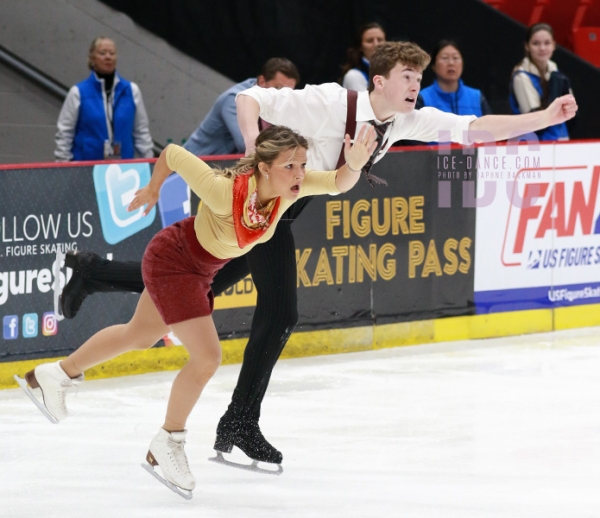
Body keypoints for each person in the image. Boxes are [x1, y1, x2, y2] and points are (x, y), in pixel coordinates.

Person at [56, 41, 578, 471]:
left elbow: (476, 129)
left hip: (286, 210)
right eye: (407, 76)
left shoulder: (403, 122)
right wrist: (254, 150)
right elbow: (249, 99)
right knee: (280, 312)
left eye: (419, 78)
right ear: (378, 81)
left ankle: (92, 274)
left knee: (202, 285)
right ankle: (238, 422)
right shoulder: (328, 102)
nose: (416, 85)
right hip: (264, 206)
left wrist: (545, 116)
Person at [20, 124, 378, 495]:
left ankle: (56, 375)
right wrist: (153, 188)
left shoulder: (289, 191)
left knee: (138, 335)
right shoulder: (225, 192)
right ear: (264, 167)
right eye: (290, 166)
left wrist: (352, 165)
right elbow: (172, 154)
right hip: (173, 261)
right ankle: (168, 442)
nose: (300, 174)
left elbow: (337, 181)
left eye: (303, 165)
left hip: (199, 270)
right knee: (207, 358)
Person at [54, 36, 154, 161]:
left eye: (112, 53)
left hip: (124, 168)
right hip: (85, 169)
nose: (108, 57)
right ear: (92, 58)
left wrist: (150, 162)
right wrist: (63, 166)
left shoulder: (132, 91)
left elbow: (141, 132)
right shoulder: (78, 93)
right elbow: (64, 134)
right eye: (102, 53)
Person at [184, 57, 300, 156]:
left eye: (288, 92)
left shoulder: (276, 104)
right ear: (262, 81)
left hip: (219, 171)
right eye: (278, 88)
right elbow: (246, 144)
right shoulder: (234, 99)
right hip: (189, 167)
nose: (282, 96)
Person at [509, 23, 573, 141]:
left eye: (547, 43)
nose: (542, 48)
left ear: (554, 45)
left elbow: (571, 113)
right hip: (533, 144)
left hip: (561, 141)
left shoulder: (557, 73)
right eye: (536, 43)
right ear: (527, 46)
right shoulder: (521, 77)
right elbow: (535, 122)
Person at [419, 39, 491, 116]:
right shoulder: (422, 98)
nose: (451, 63)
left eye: (455, 58)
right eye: (445, 58)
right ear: (433, 65)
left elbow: (490, 126)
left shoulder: (477, 97)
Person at [340, 22, 386, 91]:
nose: (376, 44)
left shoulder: (394, 70)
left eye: (380, 40)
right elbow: (365, 102)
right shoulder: (354, 76)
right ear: (361, 47)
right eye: (370, 41)